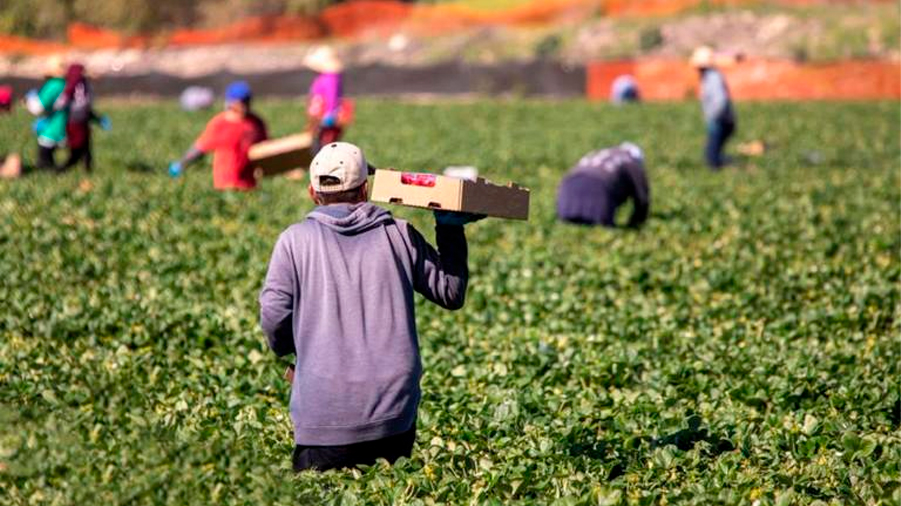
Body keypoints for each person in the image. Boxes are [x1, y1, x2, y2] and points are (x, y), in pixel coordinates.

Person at [259, 142, 482, 472]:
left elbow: (274, 315)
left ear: (312, 192)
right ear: (365, 189)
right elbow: (450, 292)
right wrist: (449, 229)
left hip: (323, 420)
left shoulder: (294, 241)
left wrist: (298, 354)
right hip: (393, 418)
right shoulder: (399, 234)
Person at [168, 81, 268, 190]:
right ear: (231, 102)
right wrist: (181, 164)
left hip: (250, 184)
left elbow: (265, 147)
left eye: (247, 101)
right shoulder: (220, 124)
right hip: (226, 184)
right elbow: (200, 148)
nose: (245, 105)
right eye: (241, 101)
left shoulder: (256, 123)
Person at [556, 142, 650, 228]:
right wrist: (635, 225)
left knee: (569, 226)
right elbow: (642, 197)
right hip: (599, 191)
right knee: (599, 230)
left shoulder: (595, 154)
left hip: (567, 191)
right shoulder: (630, 161)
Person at [55, 63, 110, 173]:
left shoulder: (81, 85)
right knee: (77, 150)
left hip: (82, 121)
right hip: (75, 122)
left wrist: (97, 118)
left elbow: (85, 106)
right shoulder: (72, 87)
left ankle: (87, 170)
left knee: (86, 148)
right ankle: (62, 170)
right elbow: (61, 104)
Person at [691, 46, 736, 170]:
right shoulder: (708, 76)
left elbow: (720, 100)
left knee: (712, 157)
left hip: (720, 121)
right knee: (712, 154)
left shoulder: (713, 77)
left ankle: (731, 166)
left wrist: (713, 117)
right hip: (718, 120)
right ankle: (729, 166)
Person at [25, 56, 68, 171]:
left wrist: (30, 99)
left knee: (44, 161)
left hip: (52, 128)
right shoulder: (66, 84)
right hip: (66, 126)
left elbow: (37, 108)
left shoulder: (53, 85)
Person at [304, 46, 349, 153]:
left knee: (323, 147)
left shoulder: (330, 78)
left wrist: (329, 116)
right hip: (319, 119)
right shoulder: (324, 77)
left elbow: (332, 97)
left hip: (326, 120)